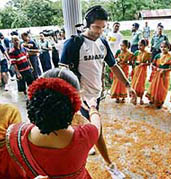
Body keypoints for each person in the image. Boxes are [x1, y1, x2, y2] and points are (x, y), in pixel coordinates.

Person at [60, 5, 136, 178]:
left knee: (83, 127)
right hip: (82, 96)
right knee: (97, 130)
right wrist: (76, 94)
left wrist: (128, 85)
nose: (100, 31)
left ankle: (87, 148)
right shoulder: (73, 43)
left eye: (103, 27)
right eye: (96, 27)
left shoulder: (103, 42)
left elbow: (113, 65)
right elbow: (62, 73)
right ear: (87, 24)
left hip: (96, 93)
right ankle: (111, 165)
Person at [6, 68, 102, 178]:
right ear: (75, 102)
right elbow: (96, 127)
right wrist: (93, 108)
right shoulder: (86, 135)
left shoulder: (15, 133)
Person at [146, 41, 171, 108]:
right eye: (161, 47)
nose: (163, 48)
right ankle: (152, 99)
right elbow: (153, 64)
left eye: (165, 47)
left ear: (168, 48)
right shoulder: (157, 55)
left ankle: (159, 102)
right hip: (156, 74)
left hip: (164, 75)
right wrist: (156, 68)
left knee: (162, 89)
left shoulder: (170, 58)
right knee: (154, 86)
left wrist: (164, 70)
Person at [131, 39, 151, 105]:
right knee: (135, 83)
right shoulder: (137, 52)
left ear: (145, 46)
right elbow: (132, 60)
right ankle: (134, 97)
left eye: (141, 45)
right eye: (138, 45)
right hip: (137, 69)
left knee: (141, 84)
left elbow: (149, 63)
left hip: (143, 70)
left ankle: (141, 98)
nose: (139, 47)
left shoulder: (148, 54)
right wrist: (134, 64)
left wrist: (144, 64)